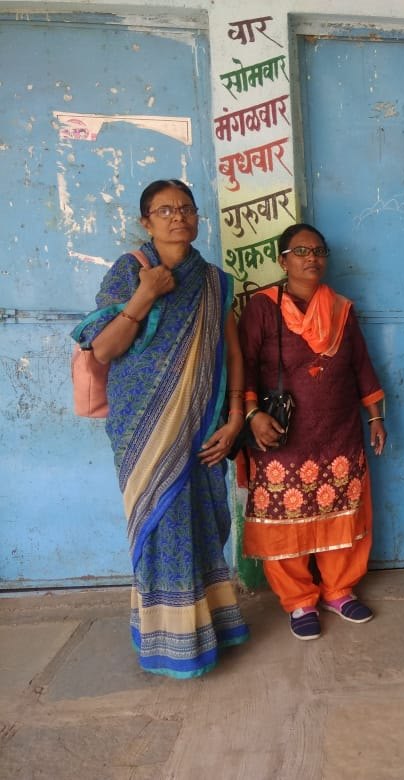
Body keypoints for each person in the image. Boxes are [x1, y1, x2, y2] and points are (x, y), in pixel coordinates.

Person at [72, 179, 250, 677]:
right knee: (160, 525)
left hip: (202, 426)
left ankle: (210, 624)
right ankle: (171, 641)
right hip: (142, 430)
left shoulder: (215, 281)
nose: (178, 217)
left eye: (187, 209)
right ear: (145, 221)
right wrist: (145, 295)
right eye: (165, 210)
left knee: (204, 522)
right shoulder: (131, 270)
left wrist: (235, 417)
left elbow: (232, 352)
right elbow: (104, 350)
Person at [238, 223, 386, 641]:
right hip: (280, 434)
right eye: (301, 251)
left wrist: (375, 417)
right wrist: (252, 416)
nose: (311, 259)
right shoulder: (262, 307)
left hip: (338, 432)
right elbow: (244, 365)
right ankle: (299, 600)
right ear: (282, 260)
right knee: (284, 515)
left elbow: (360, 366)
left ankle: (339, 589)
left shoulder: (341, 309)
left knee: (342, 510)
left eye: (319, 251)